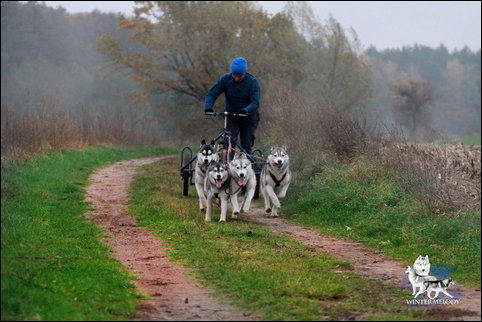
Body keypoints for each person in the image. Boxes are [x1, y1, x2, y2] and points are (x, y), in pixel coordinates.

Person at [204, 57, 260, 156]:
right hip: (232, 117)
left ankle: (247, 165)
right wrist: (208, 107)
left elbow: (255, 103)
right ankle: (228, 166)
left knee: (246, 144)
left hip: (249, 118)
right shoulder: (226, 79)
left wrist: (245, 110)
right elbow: (212, 94)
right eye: (235, 75)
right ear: (232, 72)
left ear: (244, 73)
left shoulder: (252, 82)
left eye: (240, 76)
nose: (237, 78)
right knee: (229, 143)